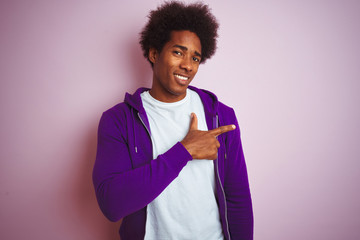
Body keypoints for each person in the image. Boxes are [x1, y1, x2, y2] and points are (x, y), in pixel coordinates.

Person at [92, 1, 253, 239]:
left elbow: (237, 199)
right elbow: (111, 203)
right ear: (154, 53)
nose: (187, 65)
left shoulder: (221, 116)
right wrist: (184, 151)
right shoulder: (118, 121)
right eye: (178, 52)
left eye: (195, 58)